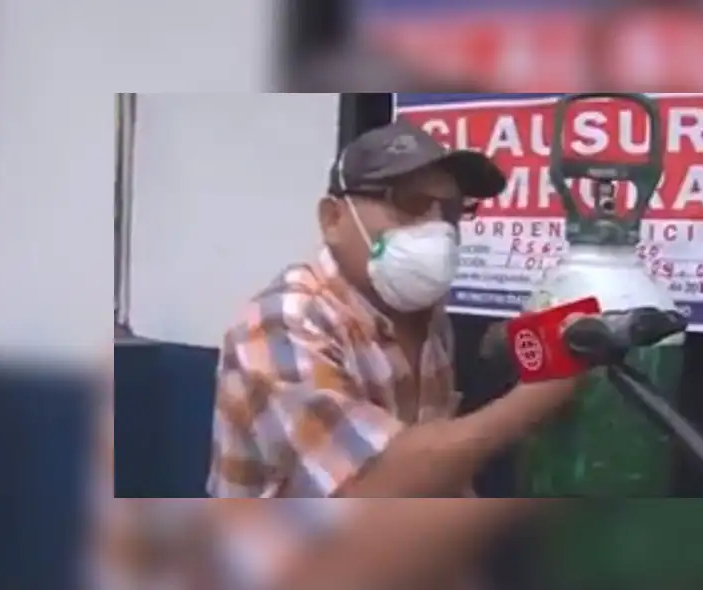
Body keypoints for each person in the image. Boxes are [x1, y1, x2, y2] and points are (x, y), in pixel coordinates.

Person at [206, 119, 586, 589]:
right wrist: (539, 396)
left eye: (449, 210)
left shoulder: (425, 314)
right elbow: (375, 483)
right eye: (408, 204)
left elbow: (437, 475)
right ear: (333, 218)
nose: (436, 229)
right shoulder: (284, 321)